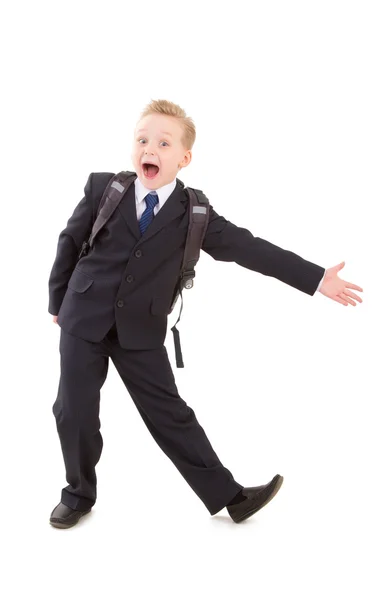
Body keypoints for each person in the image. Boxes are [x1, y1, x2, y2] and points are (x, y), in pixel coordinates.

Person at [48, 99, 363, 529]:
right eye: (142, 140)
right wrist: (58, 303)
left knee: (171, 415)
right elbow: (70, 241)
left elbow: (250, 248)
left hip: (140, 330)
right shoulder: (104, 187)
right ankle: (78, 494)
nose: (150, 149)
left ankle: (229, 497)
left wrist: (315, 278)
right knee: (74, 410)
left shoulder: (194, 212)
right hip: (83, 317)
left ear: (184, 157)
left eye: (163, 142)